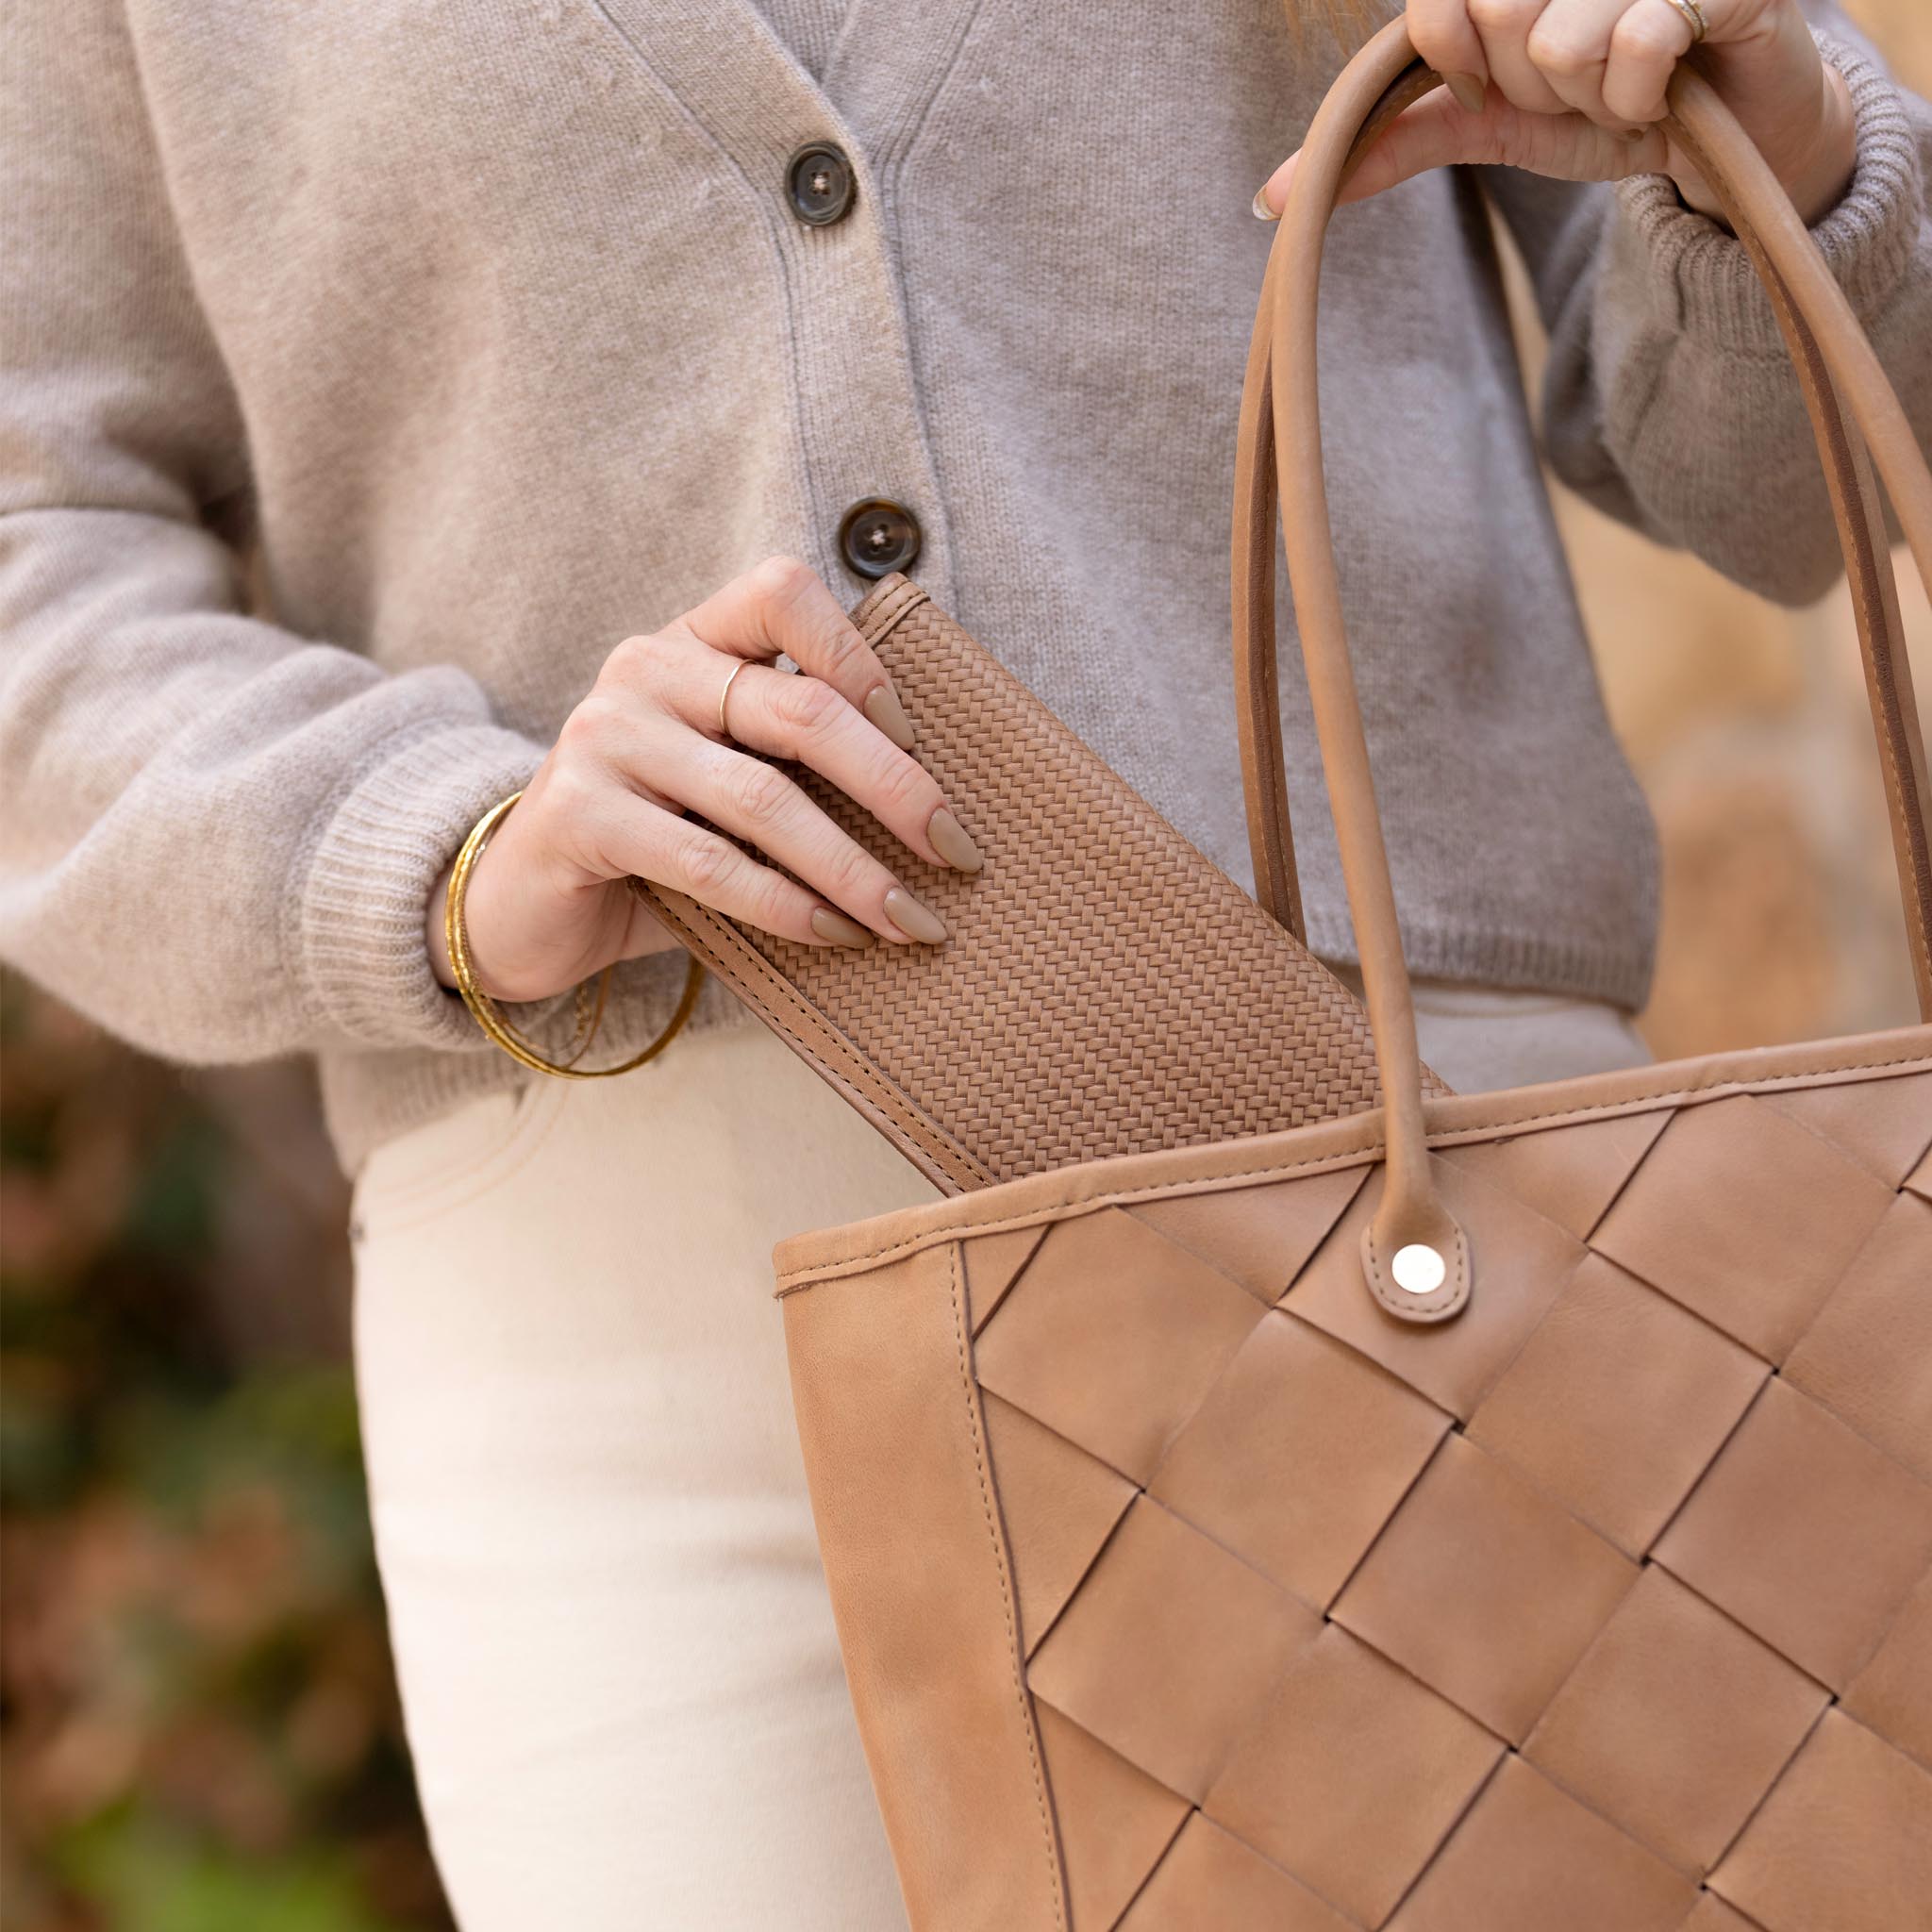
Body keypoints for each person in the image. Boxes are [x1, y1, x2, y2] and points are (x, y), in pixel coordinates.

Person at [3, 0, 1926, 1923]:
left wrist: (1782, 129)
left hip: (1433, 1208)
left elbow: (1774, 467)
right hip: (638, 1361)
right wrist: (433, 842)